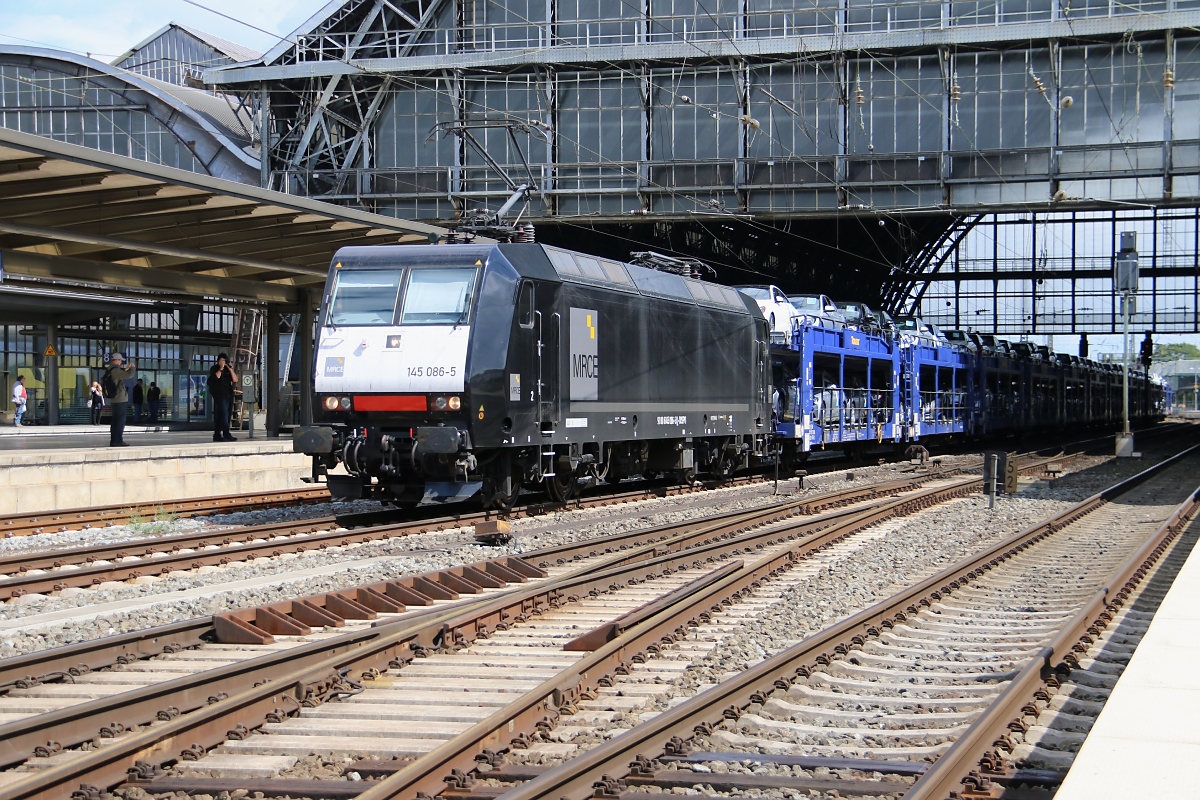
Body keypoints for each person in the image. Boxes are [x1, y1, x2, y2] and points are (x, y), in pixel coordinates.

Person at [104, 353, 136, 447]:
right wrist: (133, 368)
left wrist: (125, 369)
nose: (121, 362)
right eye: (120, 360)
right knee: (120, 421)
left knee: (115, 420)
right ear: (116, 360)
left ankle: (114, 440)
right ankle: (118, 441)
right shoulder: (115, 370)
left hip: (114, 399)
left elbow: (120, 375)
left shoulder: (110, 369)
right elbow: (129, 375)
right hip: (120, 398)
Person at [207, 352, 238, 442]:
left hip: (227, 394)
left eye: (225, 360)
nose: (224, 362)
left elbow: (235, 379)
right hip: (219, 394)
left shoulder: (228, 370)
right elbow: (216, 377)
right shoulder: (214, 368)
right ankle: (226, 433)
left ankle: (217, 435)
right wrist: (221, 368)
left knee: (221, 415)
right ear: (218, 361)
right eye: (222, 360)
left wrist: (230, 369)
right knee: (224, 414)